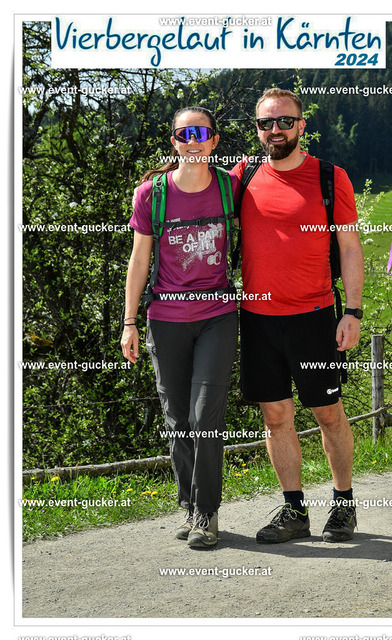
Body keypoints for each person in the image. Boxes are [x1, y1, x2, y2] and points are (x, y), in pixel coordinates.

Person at [232, 88, 364, 544]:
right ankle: (294, 511)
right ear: (257, 128)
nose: (275, 130)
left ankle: (343, 505)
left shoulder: (330, 177)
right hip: (257, 319)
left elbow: (349, 247)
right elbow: (196, 194)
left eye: (285, 121)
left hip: (314, 316)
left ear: (301, 126)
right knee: (275, 417)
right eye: (266, 123)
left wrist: (353, 311)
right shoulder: (243, 175)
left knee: (329, 414)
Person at [121, 106, 239, 549]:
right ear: (173, 141)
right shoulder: (150, 195)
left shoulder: (230, 187)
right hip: (165, 320)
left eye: (201, 133)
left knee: (204, 415)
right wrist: (129, 321)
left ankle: (207, 512)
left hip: (217, 317)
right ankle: (189, 506)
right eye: (184, 134)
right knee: (177, 420)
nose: (193, 141)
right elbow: (139, 260)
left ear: (214, 141)